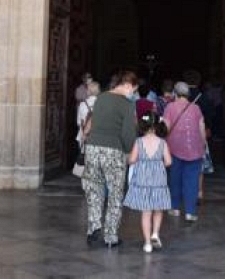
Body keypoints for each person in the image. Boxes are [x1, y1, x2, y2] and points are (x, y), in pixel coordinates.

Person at [82, 69, 139, 248]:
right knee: (115, 194)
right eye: (134, 90)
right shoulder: (127, 105)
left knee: (94, 190)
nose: (134, 94)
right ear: (128, 85)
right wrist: (130, 151)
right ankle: (110, 236)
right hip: (113, 151)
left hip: (92, 148)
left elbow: (94, 121)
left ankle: (94, 227)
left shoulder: (102, 98)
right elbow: (128, 132)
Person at [123, 111, 172, 253]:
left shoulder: (139, 142)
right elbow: (168, 162)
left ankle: (147, 243)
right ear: (157, 125)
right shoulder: (162, 142)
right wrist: (159, 162)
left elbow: (132, 159)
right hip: (158, 179)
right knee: (158, 208)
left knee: (146, 212)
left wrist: (130, 160)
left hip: (143, 179)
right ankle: (155, 233)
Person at [162, 81, 206, 222]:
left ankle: (175, 208)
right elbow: (201, 128)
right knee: (192, 181)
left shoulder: (170, 107)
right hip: (195, 148)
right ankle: (190, 212)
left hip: (174, 148)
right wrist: (203, 145)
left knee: (175, 179)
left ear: (175, 93)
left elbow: (166, 127)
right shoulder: (196, 108)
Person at [76, 81, 101, 148]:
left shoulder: (82, 104)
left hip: (84, 134)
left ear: (88, 91)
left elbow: (79, 122)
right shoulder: (101, 104)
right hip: (97, 135)